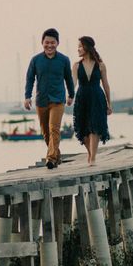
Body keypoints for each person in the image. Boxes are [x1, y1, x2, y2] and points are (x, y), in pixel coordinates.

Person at [24, 28, 75, 169]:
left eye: (53, 42)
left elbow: (68, 78)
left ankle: (51, 159)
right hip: (41, 100)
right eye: (47, 42)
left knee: (54, 129)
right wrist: (27, 97)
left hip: (58, 100)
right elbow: (29, 79)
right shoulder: (36, 60)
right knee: (46, 133)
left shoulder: (64, 60)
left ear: (57, 43)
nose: (50, 45)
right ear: (42, 43)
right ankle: (56, 155)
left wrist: (71, 94)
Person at [72, 36, 112, 165]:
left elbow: (106, 84)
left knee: (95, 126)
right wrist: (69, 96)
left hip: (97, 97)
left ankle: (93, 158)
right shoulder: (76, 66)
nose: (78, 49)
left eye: (80, 46)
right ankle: (90, 153)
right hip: (82, 97)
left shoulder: (100, 65)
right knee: (83, 128)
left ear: (87, 47)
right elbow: (73, 83)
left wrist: (109, 103)